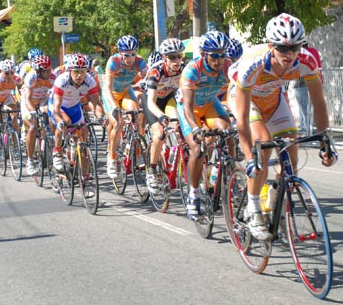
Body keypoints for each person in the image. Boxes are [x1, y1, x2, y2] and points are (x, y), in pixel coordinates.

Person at [228, 13, 337, 241]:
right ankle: (253, 209)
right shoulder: (252, 63)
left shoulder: (307, 61)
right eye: (282, 48)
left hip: (274, 99)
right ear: (270, 46)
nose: (289, 55)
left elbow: (318, 102)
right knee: (263, 147)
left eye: (294, 47)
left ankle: (277, 206)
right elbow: (242, 118)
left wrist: (326, 142)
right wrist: (249, 156)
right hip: (247, 100)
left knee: (291, 153)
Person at [178, 30, 234, 220]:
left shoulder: (228, 66)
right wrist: (195, 128)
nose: (219, 60)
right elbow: (187, 106)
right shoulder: (192, 70)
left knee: (228, 131)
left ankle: (230, 175)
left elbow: (235, 93)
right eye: (215, 56)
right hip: (190, 108)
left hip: (210, 103)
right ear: (204, 54)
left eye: (223, 55)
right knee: (198, 148)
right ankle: (193, 195)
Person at [142, 38, 185, 194]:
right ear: (164, 58)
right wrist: (160, 116)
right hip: (152, 102)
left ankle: (174, 156)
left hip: (169, 99)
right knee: (159, 133)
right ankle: (152, 171)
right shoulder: (156, 72)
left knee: (177, 126)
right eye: (172, 57)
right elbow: (151, 102)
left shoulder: (184, 70)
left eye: (179, 56)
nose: (177, 60)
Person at [102, 35, 148, 178]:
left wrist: (145, 81)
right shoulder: (114, 62)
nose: (130, 58)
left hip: (126, 91)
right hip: (111, 94)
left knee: (138, 114)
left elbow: (148, 77)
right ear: (120, 53)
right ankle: (112, 158)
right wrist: (114, 107)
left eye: (133, 54)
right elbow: (107, 87)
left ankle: (138, 152)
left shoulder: (140, 62)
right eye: (126, 55)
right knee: (118, 122)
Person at [48, 53, 103, 171]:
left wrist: (101, 117)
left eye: (82, 72)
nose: (79, 75)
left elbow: (96, 103)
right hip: (59, 107)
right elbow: (56, 109)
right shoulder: (62, 80)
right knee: (64, 122)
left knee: (83, 138)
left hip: (74, 107)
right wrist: (60, 122)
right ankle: (57, 151)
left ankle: (86, 178)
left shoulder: (89, 80)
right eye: (76, 71)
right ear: (69, 71)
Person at [22, 55, 55, 175]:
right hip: (29, 102)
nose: (48, 73)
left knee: (52, 114)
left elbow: (55, 98)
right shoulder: (31, 77)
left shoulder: (53, 78)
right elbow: (27, 99)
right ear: (38, 71)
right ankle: (30, 160)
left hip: (42, 100)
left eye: (50, 69)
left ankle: (50, 140)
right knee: (33, 127)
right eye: (45, 71)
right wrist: (33, 112)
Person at [0, 60, 21, 159]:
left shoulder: (17, 78)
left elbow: (22, 92)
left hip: (6, 97)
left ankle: (15, 145)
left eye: (12, 73)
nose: (10, 76)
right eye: (6, 73)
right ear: (0, 71)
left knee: (14, 115)